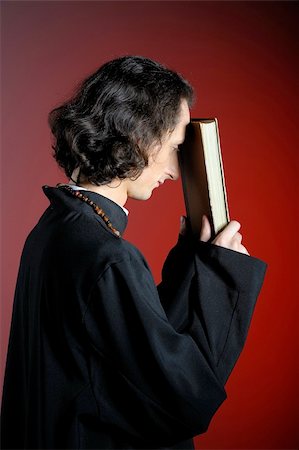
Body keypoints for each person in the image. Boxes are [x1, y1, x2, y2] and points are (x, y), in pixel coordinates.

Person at [1, 56, 267, 450]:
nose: (177, 171)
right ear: (141, 137)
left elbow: (123, 357)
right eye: (177, 146)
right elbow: (182, 400)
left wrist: (189, 265)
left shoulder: (55, 230)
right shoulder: (109, 256)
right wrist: (220, 277)